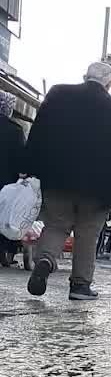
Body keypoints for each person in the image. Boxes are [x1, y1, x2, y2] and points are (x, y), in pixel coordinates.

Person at [24, 62, 111, 301]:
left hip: (57, 178)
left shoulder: (58, 93)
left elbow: (37, 132)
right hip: (98, 187)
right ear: (110, 83)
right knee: (87, 234)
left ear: (85, 76)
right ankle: (80, 286)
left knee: (56, 225)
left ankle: (45, 260)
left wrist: (28, 168)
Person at [0, 92, 26, 267]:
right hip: (6, 181)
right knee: (4, 216)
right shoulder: (15, 130)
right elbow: (21, 160)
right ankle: (4, 253)